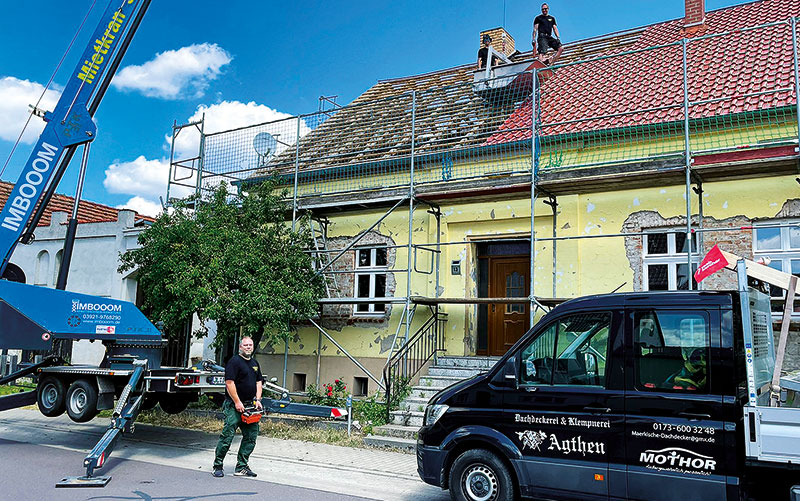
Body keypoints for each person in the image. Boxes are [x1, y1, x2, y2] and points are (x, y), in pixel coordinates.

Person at [212, 336, 263, 478]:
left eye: (250, 345)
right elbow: (229, 383)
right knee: (227, 436)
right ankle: (218, 465)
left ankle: (241, 467)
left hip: (249, 407)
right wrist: (237, 402)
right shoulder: (234, 362)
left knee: (251, 437)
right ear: (240, 347)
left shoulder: (254, 363)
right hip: (234, 406)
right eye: (245, 345)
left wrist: (257, 399)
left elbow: (259, 382)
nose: (248, 347)